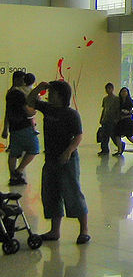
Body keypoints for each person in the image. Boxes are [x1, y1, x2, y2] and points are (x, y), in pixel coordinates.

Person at [26, 80, 90, 244]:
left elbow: (78, 136)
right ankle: (55, 231)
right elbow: (30, 101)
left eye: (52, 93)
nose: (48, 95)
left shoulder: (71, 114)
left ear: (60, 96)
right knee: (51, 194)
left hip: (67, 159)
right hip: (51, 158)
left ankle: (84, 230)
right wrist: (39, 88)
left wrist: (68, 151)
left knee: (73, 193)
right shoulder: (48, 108)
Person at [4, 89, 39, 185]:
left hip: (14, 131)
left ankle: (12, 176)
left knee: (13, 154)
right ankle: (19, 170)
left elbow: (6, 117)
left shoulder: (10, 107)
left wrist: (5, 129)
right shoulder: (23, 106)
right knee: (34, 149)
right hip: (26, 130)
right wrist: (35, 107)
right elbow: (30, 113)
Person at [113, 87, 133, 155]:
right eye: (123, 92)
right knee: (117, 135)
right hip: (120, 120)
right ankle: (119, 150)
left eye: (125, 92)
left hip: (127, 120)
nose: (124, 93)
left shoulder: (130, 100)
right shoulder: (119, 101)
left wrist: (129, 112)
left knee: (129, 136)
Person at [98, 83, 121, 156]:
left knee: (113, 135)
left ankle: (121, 146)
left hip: (112, 119)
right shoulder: (105, 99)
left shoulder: (116, 99)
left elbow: (118, 110)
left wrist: (116, 119)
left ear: (112, 89)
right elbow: (104, 109)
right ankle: (104, 150)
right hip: (106, 119)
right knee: (104, 135)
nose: (108, 90)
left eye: (109, 88)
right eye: (107, 89)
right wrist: (101, 118)